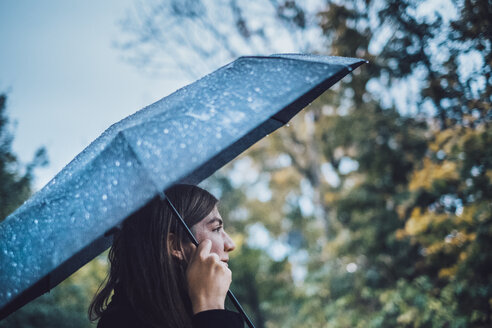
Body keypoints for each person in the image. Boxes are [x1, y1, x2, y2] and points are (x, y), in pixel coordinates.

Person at [89, 184, 244, 328]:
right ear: (174, 245)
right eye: (216, 229)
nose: (230, 244)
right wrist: (211, 309)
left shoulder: (183, 309)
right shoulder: (121, 322)